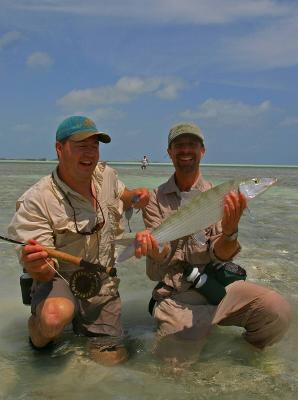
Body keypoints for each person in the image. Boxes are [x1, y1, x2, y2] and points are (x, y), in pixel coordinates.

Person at [134, 122, 291, 365]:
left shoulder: (219, 196)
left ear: (202, 151)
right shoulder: (154, 199)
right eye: (179, 145)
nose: (186, 150)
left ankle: (243, 358)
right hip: (177, 295)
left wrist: (230, 231)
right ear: (169, 152)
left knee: (277, 310)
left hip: (216, 287)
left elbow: (222, 256)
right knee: (172, 371)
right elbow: (159, 262)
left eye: (192, 145)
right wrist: (157, 249)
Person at [8, 115, 149, 365]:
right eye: (81, 145)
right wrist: (36, 267)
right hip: (59, 279)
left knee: (111, 363)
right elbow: (43, 272)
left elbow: (122, 195)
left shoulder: (107, 176)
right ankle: (37, 330)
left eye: (94, 146)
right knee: (53, 319)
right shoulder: (36, 199)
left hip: (101, 282)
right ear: (59, 149)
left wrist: (136, 197)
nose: (90, 153)